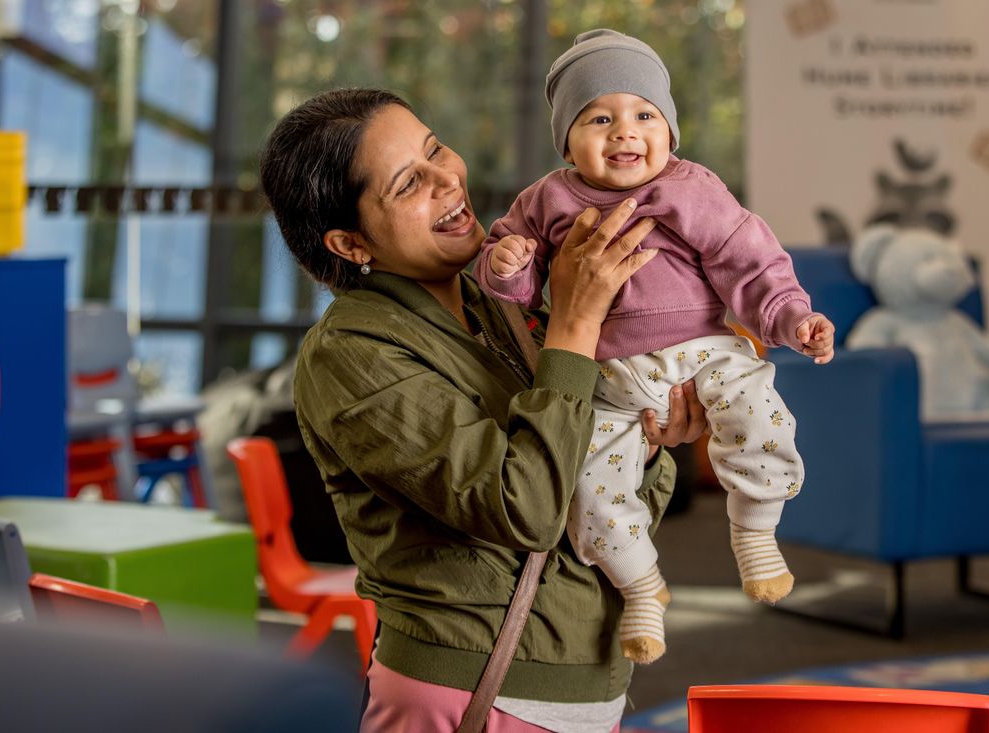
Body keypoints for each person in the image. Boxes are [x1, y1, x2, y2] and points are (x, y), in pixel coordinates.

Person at [260, 88, 708, 733]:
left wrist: (655, 440)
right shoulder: (349, 353)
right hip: (468, 692)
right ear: (351, 242)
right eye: (410, 181)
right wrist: (576, 326)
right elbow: (525, 509)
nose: (449, 177)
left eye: (436, 148)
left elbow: (602, 512)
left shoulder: (503, 301)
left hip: (590, 682)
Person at [475, 29, 836, 665]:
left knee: (761, 415)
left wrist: (791, 317)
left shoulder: (689, 188)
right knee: (589, 486)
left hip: (704, 351)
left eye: (645, 115)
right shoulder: (548, 200)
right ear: (566, 139)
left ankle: (754, 528)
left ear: (669, 131)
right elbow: (518, 281)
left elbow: (747, 263)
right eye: (599, 117)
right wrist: (506, 262)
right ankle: (641, 586)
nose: (624, 132)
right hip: (607, 376)